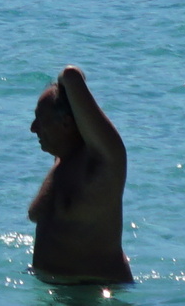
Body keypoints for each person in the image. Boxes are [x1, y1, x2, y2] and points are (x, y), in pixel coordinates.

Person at [27, 65, 132, 284]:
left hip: (98, 300)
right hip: (55, 298)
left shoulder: (104, 164)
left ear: (66, 123)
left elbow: (71, 75)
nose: (33, 128)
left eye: (40, 119)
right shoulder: (62, 161)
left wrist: (65, 85)